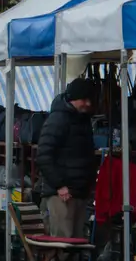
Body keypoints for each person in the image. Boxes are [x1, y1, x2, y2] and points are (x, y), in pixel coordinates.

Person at [35, 77, 99, 241]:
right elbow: (44, 155)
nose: (88, 104)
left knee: (73, 244)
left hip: (78, 192)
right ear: (73, 98)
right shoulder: (58, 120)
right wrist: (59, 185)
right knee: (62, 243)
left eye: (89, 99)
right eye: (84, 99)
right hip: (62, 194)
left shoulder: (82, 120)